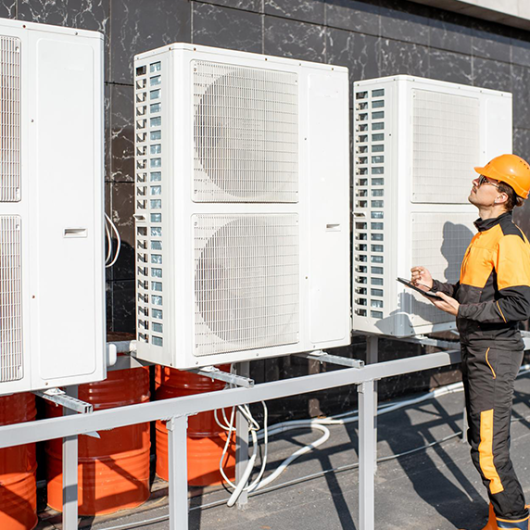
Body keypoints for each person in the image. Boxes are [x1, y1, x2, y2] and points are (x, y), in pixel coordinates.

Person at [410, 154, 530, 530]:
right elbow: (472, 294)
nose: (476, 183)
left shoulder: (508, 239)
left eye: (484, 180)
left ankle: (514, 522)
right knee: (482, 444)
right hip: (479, 349)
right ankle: (501, 518)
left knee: (490, 453)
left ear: (502, 196)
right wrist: (436, 288)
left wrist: (460, 310)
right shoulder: (485, 236)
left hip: (493, 353)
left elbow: (518, 304)